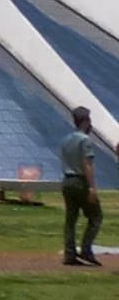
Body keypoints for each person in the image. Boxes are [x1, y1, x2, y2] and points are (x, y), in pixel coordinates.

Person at [61, 105, 103, 266]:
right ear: (85, 122)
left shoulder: (66, 140)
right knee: (96, 216)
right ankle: (86, 249)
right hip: (80, 181)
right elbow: (87, 164)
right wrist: (92, 187)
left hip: (67, 180)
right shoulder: (85, 140)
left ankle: (69, 253)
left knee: (71, 219)